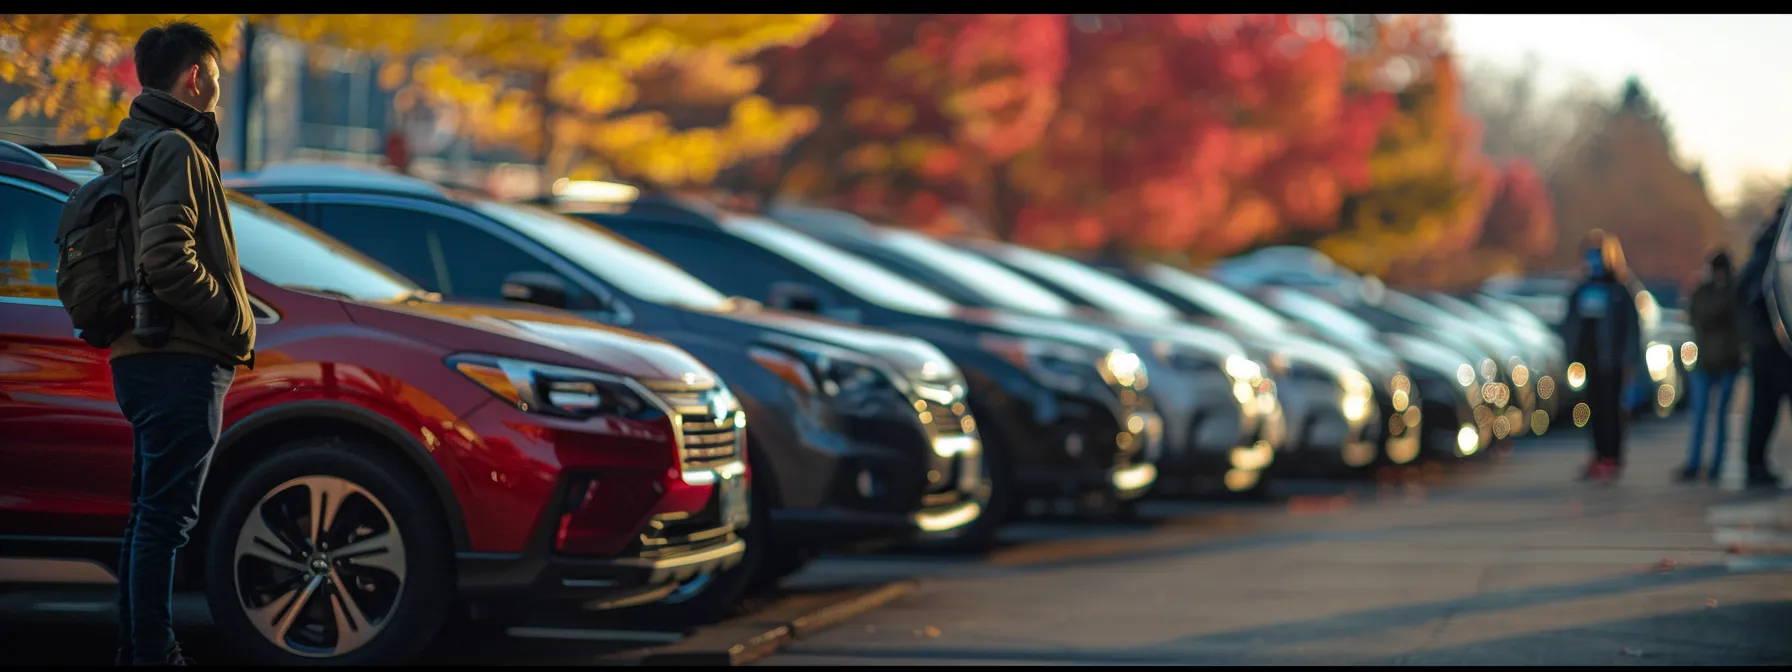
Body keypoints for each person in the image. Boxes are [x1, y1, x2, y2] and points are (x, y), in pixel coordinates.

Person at [96, 21, 256, 666]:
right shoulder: (177, 150)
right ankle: (153, 652)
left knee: (149, 513)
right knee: (165, 519)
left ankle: (138, 646)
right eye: (216, 74)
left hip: (141, 356)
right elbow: (166, 256)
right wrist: (224, 315)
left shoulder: (134, 145)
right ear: (196, 76)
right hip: (180, 358)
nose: (219, 87)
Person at [1559, 229, 1642, 483]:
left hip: (1612, 363)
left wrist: (1629, 362)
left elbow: (1632, 328)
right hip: (1589, 362)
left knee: (1611, 412)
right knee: (1592, 411)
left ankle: (1611, 458)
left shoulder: (1620, 290)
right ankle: (1598, 456)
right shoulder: (1581, 289)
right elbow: (1571, 324)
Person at [1734, 200, 1789, 489]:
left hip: (1766, 343)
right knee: (1764, 409)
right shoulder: (1779, 245)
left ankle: (1755, 465)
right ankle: (1755, 466)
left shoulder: (1767, 241)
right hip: (1777, 342)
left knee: (1763, 409)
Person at [1681, 249, 1743, 482]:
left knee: (1718, 418)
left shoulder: (1733, 292)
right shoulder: (1707, 293)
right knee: (1700, 416)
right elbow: (1700, 314)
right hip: (1706, 362)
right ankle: (1695, 463)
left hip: (1726, 362)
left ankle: (1714, 464)